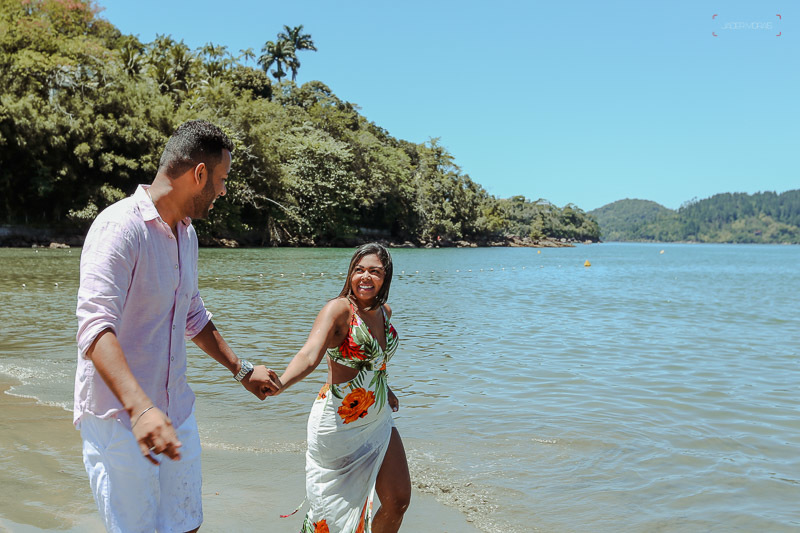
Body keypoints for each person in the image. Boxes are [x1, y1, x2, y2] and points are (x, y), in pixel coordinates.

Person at [74, 119, 281, 532]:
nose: (223, 191)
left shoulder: (187, 234)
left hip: (175, 412)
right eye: (221, 180)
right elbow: (95, 329)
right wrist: (141, 408)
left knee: (187, 526)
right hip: (120, 418)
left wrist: (240, 369)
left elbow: (191, 313)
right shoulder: (120, 227)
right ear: (198, 174)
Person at [276, 243, 411, 533]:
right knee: (331, 512)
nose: (365, 277)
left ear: (385, 277)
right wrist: (281, 383)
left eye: (374, 271)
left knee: (398, 500)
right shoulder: (338, 310)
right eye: (359, 270)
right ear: (350, 273)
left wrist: (384, 387)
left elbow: (376, 361)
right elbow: (309, 355)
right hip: (338, 422)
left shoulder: (384, 312)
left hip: (377, 418)